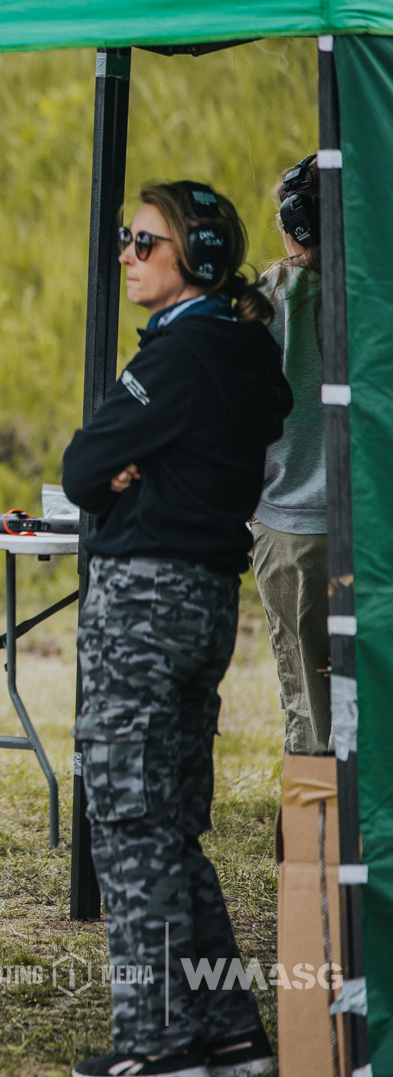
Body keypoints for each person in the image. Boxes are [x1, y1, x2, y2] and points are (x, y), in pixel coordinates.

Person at [61, 180, 290, 1077]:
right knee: (169, 822)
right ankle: (229, 1031)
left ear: (193, 257)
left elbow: (84, 463)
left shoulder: (178, 355)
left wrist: (124, 472)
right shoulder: (241, 350)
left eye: (145, 241)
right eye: (128, 237)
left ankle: (155, 1042)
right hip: (203, 600)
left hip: (145, 602)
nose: (128, 252)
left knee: (129, 820)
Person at [252, 155, 328, 753]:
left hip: (289, 530)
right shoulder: (376, 292)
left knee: (309, 704)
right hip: (371, 527)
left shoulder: (269, 297)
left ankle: (316, 843)